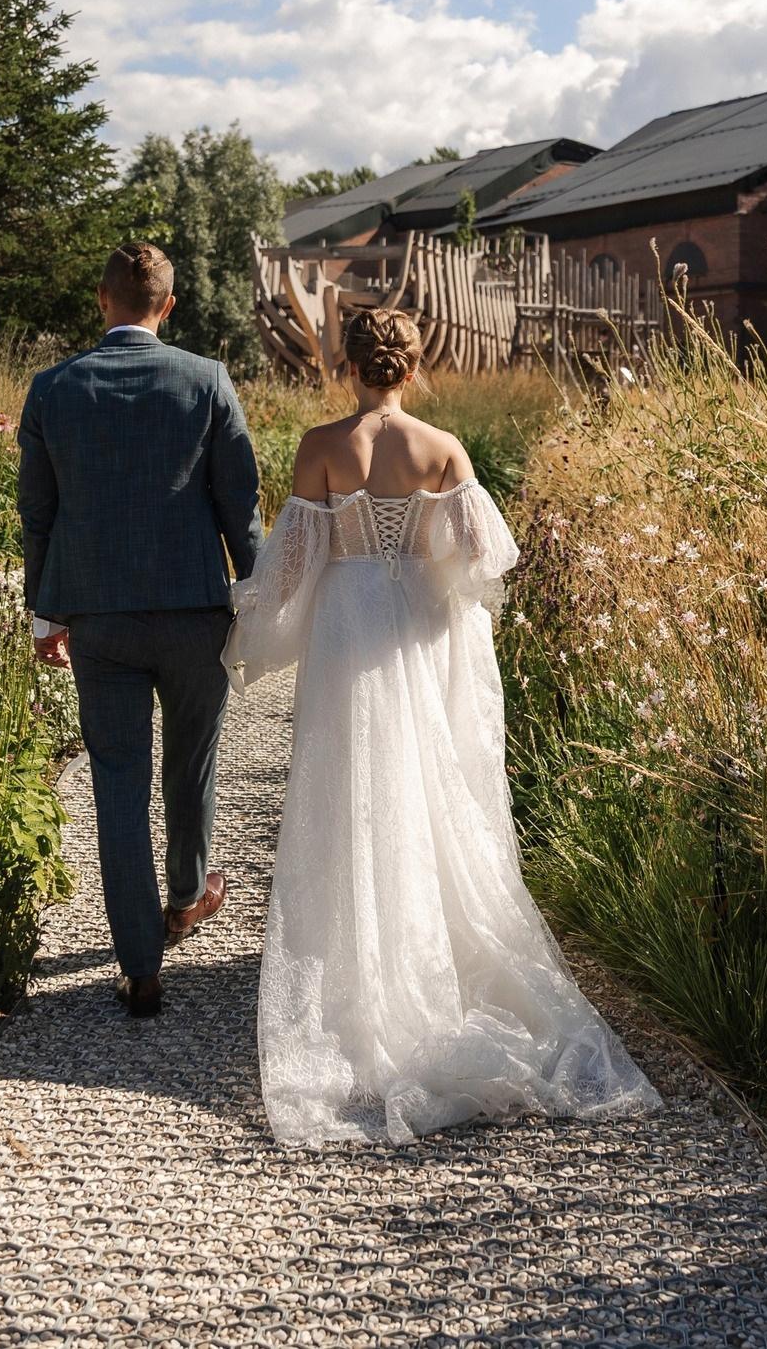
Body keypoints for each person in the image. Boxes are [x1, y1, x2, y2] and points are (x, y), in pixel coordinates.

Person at [225, 309, 661, 1147]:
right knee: (420, 787)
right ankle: (427, 961)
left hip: (348, 626)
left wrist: (246, 618)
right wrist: (424, 565)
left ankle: (359, 971)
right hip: (413, 629)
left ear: (346, 364)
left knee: (351, 787)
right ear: (413, 367)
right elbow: (484, 564)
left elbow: (288, 567)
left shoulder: (319, 444)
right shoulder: (444, 448)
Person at [16, 241, 263, 1020]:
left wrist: (44, 612)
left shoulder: (53, 389)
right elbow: (240, 501)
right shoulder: (207, 379)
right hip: (194, 611)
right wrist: (256, 597)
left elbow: (38, 514)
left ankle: (139, 964)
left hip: (101, 619)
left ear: (102, 300)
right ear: (169, 305)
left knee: (116, 779)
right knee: (191, 763)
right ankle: (188, 897)